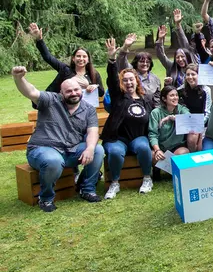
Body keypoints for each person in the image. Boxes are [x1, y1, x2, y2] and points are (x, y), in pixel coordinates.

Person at [12, 66, 103, 211]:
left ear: (81, 90)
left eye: (76, 90)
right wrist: (19, 78)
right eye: (69, 91)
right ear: (61, 93)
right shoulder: (50, 100)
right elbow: (31, 92)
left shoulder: (89, 109)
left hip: (71, 150)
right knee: (54, 160)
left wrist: (90, 148)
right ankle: (46, 198)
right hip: (43, 149)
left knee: (97, 150)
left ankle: (87, 189)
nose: (73, 93)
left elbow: (93, 131)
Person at [102, 37, 155, 199]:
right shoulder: (119, 96)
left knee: (144, 148)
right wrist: (112, 59)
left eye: (131, 79)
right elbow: (112, 79)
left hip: (138, 137)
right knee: (116, 152)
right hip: (118, 138)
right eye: (125, 80)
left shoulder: (145, 99)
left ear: (136, 80)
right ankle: (115, 183)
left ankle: (147, 178)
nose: (128, 82)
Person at [28, 23, 104, 105]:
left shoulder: (94, 74)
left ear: (88, 60)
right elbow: (48, 57)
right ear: (73, 59)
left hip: (85, 110)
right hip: (64, 108)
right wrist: (39, 40)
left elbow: (101, 92)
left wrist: (94, 86)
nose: (81, 59)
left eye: (84, 56)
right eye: (78, 56)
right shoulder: (65, 70)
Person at [117, 33, 162, 108]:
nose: (145, 64)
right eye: (141, 61)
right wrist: (126, 46)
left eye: (147, 62)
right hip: (129, 107)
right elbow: (121, 60)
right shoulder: (130, 72)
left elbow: (157, 101)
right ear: (136, 62)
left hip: (148, 110)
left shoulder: (155, 79)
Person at [148, 86, 192, 162]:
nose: (175, 98)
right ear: (164, 99)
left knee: (183, 153)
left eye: (176, 95)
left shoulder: (182, 109)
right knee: (151, 155)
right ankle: (157, 171)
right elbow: (153, 134)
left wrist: (172, 118)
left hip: (177, 147)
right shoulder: (156, 113)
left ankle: (174, 171)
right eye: (172, 95)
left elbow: (189, 120)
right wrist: (157, 150)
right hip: (161, 146)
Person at [155, 9, 196, 89]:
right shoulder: (171, 66)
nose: (180, 59)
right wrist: (160, 40)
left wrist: (178, 25)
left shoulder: (194, 66)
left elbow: (185, 45)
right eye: (177, 57)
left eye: (182, 56)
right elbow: (160, 55)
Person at [177, 64, 210, 152]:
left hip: (203, 123)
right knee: (192, 140)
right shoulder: (181, 90)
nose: (190, 77)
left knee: (199, 146)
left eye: (193, 74)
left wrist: (197, 125)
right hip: (186, 122)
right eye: (188, 74)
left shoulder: (206, 90)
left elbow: (207, 112)